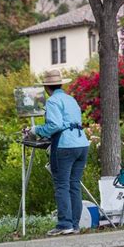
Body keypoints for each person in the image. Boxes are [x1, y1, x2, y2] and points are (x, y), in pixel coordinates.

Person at [29, 69, 90, 236]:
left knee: (62, 185)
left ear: (47, 88)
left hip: (65, 145)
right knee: (74, 185)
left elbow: (55, 125)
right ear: (60, 84)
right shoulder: (71, 99)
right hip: (82, 143)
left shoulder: (53, 101)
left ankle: (64, 224)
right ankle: (74, 224)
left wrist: (36, 129)